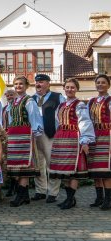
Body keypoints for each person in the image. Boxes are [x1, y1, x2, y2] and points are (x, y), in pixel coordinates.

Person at [49, 78, 95, 209]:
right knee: (63, 170)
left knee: (73, 171)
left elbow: (84, 122)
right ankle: (69, 199)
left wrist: (85, 140)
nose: (70, 89)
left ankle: (70, 199)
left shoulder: (79, 105)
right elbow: (57, 122)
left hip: (73, 138)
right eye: (67, 87)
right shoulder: (61, 105)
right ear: (64, 89)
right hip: (61, 138)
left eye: (72, 87)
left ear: (77, 89)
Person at [7, 76, 43, 207]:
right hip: (14, 137)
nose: (18, 86)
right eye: (16, 84)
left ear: (27, 86)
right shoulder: (13, 102)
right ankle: (25, 196)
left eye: (21, 84)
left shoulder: (29, 101)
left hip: (25, 136)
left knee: (24, 166)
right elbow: (11, 119)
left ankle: (20, 196)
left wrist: (34, 134)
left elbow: (35, 118)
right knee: (17, 166)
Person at [32, 74, 66, 203]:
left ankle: (53, 192)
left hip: (51, 135)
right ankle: (40, 190)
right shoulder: (31, 99)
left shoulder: (58, 97)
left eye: (41, 82)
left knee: (52, 164)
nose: (38, 84)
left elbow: (63, 115)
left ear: (48, 84)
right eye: (36, 82)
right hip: (36, 136)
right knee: (38, 164)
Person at [88, 74, 111, 210]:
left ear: (108, 85)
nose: (100, 85)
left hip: (107, 135)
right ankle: (99, 197)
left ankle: (108, 199)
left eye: (103, 82)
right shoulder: (92, 101)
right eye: (98, 83)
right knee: (95, 169)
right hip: (93, 136)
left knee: (105, 168)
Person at [2, 89, 18, 197]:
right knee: (8, 163)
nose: (9, 97)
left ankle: (16, 186)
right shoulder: (4, 109)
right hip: (6, 136)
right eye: (7, 95)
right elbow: (0, 123)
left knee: (16, 163)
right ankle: (11, 186)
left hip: (17, 136)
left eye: (11, 95)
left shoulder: (18, 107)